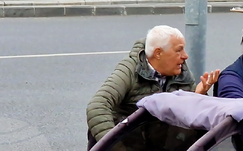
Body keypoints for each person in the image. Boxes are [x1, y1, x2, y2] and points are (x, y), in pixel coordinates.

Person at [87, 26, 220, 144]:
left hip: (157, 146)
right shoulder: (130, 69)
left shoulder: (181, 71)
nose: (185, 56)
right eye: (178, 50)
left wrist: (198, 95)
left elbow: (188, 116)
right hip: (128, 143)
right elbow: (97, 106)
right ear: (158, 53)